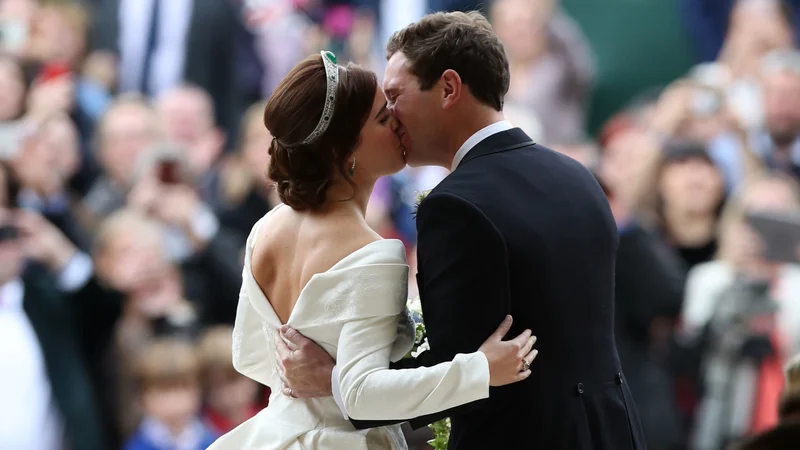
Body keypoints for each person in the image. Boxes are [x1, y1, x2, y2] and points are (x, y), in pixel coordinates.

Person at [277, 11, 645, 450]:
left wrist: (334, 380)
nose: (389, 115)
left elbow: (461, 366)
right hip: (615, 431)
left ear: (449, 88)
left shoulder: (456, 205)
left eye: (395, 95)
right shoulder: (578, 175)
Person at [206, 50, 537, 450]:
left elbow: (251, 355)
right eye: (383, 118)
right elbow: (362, 394)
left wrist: (323, 384)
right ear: (345, 153)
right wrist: (480, 370)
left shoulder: (266, 228)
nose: (398, 123)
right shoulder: (372, 255)